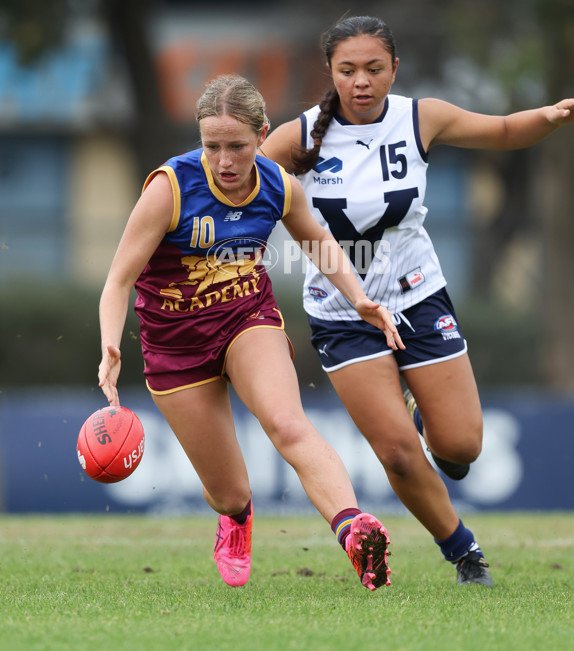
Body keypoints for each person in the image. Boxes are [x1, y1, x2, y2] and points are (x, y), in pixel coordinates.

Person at [260, 15, 574, 587]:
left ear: (395, 70)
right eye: (347, 70)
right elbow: (244, 200)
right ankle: (465, 554)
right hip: (342, 312)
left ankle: (423, 411)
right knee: (396, 452)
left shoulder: (421, 117)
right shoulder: (295, 139)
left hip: (417, 297)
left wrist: (550, 116)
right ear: (330, 73)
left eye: (373, 68)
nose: (361, 82)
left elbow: (506, 131)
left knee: (460, 448)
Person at [97, 73, 404, 591]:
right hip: (174, 347)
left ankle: (355, 530)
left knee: (288, 424)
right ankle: (236, 520)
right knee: (229, 492)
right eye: (211, 146)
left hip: (246, 319)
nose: (224, 161)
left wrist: (360, 299)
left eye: (237, 146)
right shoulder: (168, 190)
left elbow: (322, 245)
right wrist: (109, 343)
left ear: (262, 135)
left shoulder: (278, 186)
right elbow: (118, 280)